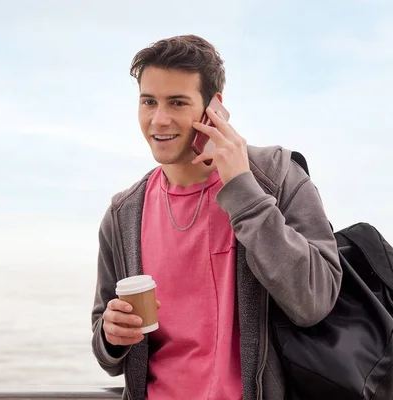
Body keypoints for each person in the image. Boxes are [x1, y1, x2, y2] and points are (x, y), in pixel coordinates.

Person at [90, 34, 342, 400]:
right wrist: (111, 336)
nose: (158, 120)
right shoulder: (123, 213)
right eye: (148, 102)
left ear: (214, 107)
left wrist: (242, 188)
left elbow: (314, 302)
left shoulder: (277, 177)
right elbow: (106, 353)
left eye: (177, 102)